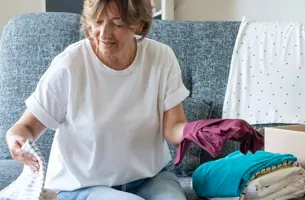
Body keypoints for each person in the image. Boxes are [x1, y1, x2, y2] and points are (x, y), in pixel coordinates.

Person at [5, 0, 190, 199]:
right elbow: (25, 127)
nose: (104, 33)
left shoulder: (161, 57)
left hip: (149, 178)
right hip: (81, 186)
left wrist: (196, 132)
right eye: (98, 21)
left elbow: (173, 129)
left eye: (117, 23)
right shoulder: (69, 65)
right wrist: (16, 140)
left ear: (139, 24)